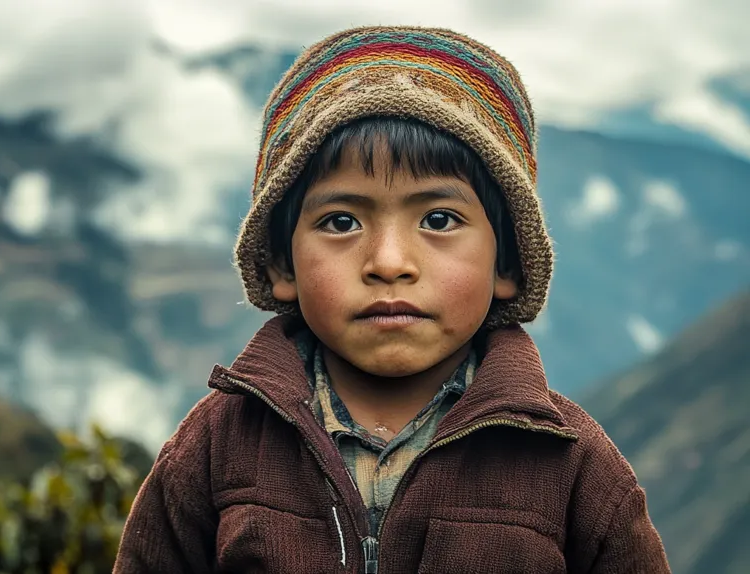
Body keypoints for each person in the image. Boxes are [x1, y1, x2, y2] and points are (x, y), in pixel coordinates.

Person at [113, 26, 670, 573]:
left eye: (438, 219)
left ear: (506, 263)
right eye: (341, 221)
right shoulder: (217, 447)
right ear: (281, 265)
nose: (388, 262)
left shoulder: (570, 463)